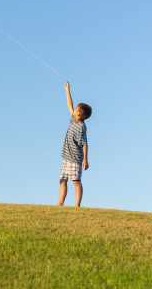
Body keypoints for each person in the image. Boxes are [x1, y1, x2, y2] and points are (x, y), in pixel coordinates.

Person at [57, 82, 92, 210]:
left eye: (78, 111)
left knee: (76, 182)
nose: (75, 111)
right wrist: (67, 90)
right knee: (62, 180)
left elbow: (85, 143)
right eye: (76, 109)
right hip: (66, 157)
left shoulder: (81, 127)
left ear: (82, 116)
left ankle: (77, 205)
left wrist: (85, 159)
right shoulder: (73, 118)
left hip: (75, 159)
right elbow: (69, 105)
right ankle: (60, 203)